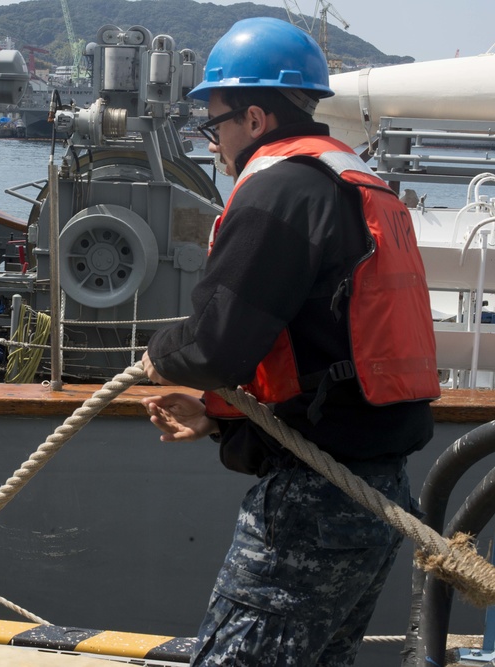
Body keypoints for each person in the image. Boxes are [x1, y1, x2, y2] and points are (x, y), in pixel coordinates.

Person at [139, 17, 439, 666]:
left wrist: (158, 356)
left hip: (314, 506)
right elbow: (324, 351)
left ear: (253, 118)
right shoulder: (353, 184)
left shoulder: (279, 191)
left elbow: (217, 345)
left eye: (213, 124)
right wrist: (218, 413)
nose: (211, 143)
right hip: (377, 491)